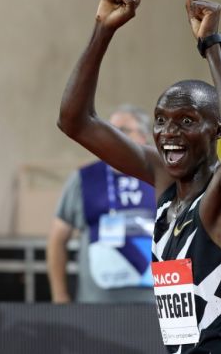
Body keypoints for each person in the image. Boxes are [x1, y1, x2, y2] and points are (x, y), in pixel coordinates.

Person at [58, 0, 221, 354]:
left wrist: (211, 45)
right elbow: (75, 121)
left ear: (216, 129)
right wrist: (102, 31)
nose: (169, 133)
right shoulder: (164, 179)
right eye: (161, 120)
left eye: (186, 121)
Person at [47, 105, 156, 303]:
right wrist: (60, 295)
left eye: (122, 131)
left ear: (144, 136)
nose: (113, 137)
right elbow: (57, 240)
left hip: (156, 309)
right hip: (97, 310)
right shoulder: (83, 179)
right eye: (109, 131)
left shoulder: (163, 177)